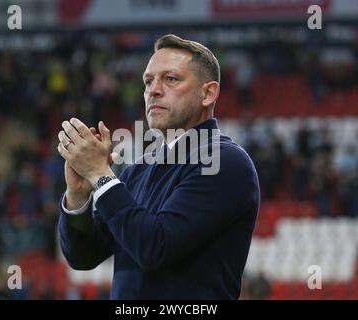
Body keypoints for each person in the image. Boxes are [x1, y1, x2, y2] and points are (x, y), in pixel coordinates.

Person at [57, 34, 260, 299]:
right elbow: (83, 257)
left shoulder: (226, 163)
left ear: (208, 93)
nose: (153, 90)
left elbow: (155, 248)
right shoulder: (136, 171)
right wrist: (78, 194)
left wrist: (100, 175)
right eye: (148, 81)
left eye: (170, 79)